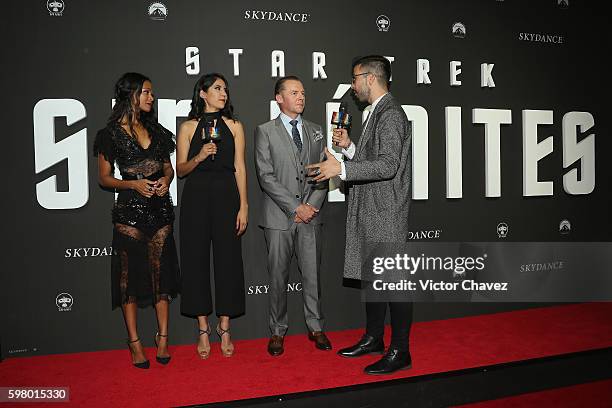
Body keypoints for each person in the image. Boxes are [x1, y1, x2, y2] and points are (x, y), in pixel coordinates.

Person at [307, 56, 413, 375]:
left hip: (386, 211)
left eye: (355, 79)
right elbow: (372, 160)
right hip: (371, 210)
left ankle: (401, 350)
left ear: (369, 78)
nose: (352, 87)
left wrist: (341, 167)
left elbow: (388, 165)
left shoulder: (391, 113)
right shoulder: (375, 113)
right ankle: (374, 338)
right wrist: (350, 148)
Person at [94, 72, 180, 369]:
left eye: (151, 93)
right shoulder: (110, 134)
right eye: (146, 92)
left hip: (161, 210)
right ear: (131, 94)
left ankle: (164, 338)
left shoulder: (156, 130)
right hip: (129, 212)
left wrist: (166, 181)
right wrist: (133, 184)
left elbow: (168, 169)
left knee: (162, 277)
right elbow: (104, 179)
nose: (151, 97)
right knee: (128, 280)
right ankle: (134, 343)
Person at [254, 75, 331, 356]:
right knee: (277, 277)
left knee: (312, 275)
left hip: (311, 215)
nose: (301, 97)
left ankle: (316, 327)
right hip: (279, 218)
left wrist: (310, 206)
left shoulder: (316, 130)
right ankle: (277, 331)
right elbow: (266, 176)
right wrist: (295, 207)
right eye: (295, 92)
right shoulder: (264, 131)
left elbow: (325, 172)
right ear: (279, 98)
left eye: (303, 93)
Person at [177, 73, 247, 359]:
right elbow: (181, 170)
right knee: (195, 261)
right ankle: (203, 328)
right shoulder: (188, 127)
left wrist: (244, 206)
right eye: (217, 88)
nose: (223, 93)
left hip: (227, 198)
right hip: (195, 198)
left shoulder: (235, 126)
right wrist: (200, 156)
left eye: (226, 89)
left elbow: (240, 167)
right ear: (202, 93)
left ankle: (225, 326)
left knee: (228, 260)